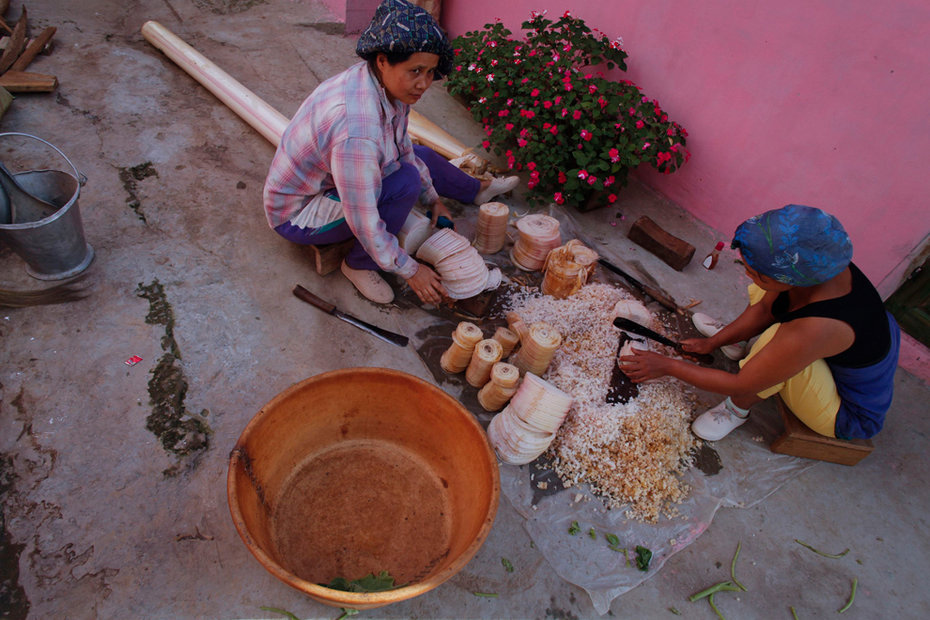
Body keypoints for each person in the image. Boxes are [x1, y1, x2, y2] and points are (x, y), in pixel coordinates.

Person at [262, 0, 518, 305]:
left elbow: (404, 149)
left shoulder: (381, 83)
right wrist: (410, 270)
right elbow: (363, 217)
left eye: (431, 72)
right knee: (406, 182)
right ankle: (358, 264)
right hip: (299, 214)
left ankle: (476, 189)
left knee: (416, 156)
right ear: (383, 60)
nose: (424, 83)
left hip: (332, 180)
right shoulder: (358, 131)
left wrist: (434, 201)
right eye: (416, 71)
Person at [621, 204, 900, 442]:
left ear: (793, 278)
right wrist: (713, 343)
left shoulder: (814, 328)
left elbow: (742, 383)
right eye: (748, 268)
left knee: (775, 345)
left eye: (758, 273)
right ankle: (736, 342)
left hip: (846, 413)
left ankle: (736, 411)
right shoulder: (816, 262)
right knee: (763, 294)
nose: (749, 275)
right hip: (853, 343)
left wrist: (668, 366)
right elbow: (767, 306)